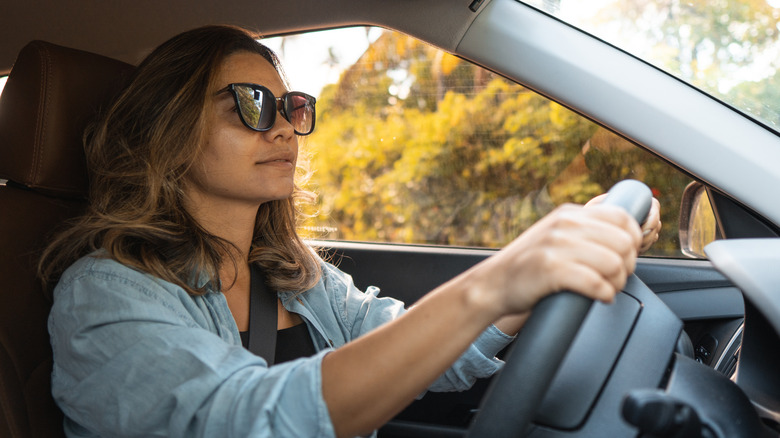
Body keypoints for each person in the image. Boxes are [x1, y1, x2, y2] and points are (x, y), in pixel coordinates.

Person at [40, 25, 662, 438]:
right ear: (166, 129)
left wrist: (560, 258)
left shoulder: (294, 276)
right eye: (252, 105)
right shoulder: (105, 292)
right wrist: (495, 282)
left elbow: (415, 350)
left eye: (291, 108)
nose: (282, 129)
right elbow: (247, 419)